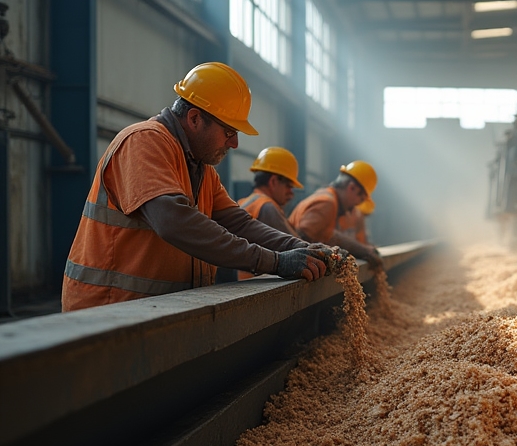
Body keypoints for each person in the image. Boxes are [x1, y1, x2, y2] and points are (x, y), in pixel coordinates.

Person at [62, 62, 332, 312]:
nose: (235, 144)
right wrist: (275, 262)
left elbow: (239, 223)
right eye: (229, 132)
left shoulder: (201, 169)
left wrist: (303, 249)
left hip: (151, 312)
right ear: (194, 119)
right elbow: (173, 221)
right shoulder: (144, 142)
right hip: (107, 312)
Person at [290, 161, 383, 269]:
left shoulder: (331, 201)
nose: (357, 205)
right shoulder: (327, 203)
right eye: (360, 199)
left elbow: (328, 236)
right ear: (351, 187)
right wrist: (363, 250)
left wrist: (363, 250)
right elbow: (300, 237)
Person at [239, 146, 303, 237]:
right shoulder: (267, 207)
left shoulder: (244, 202)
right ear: (273, 182)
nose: (291, 194)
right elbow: (297, 246)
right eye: (288, 186)